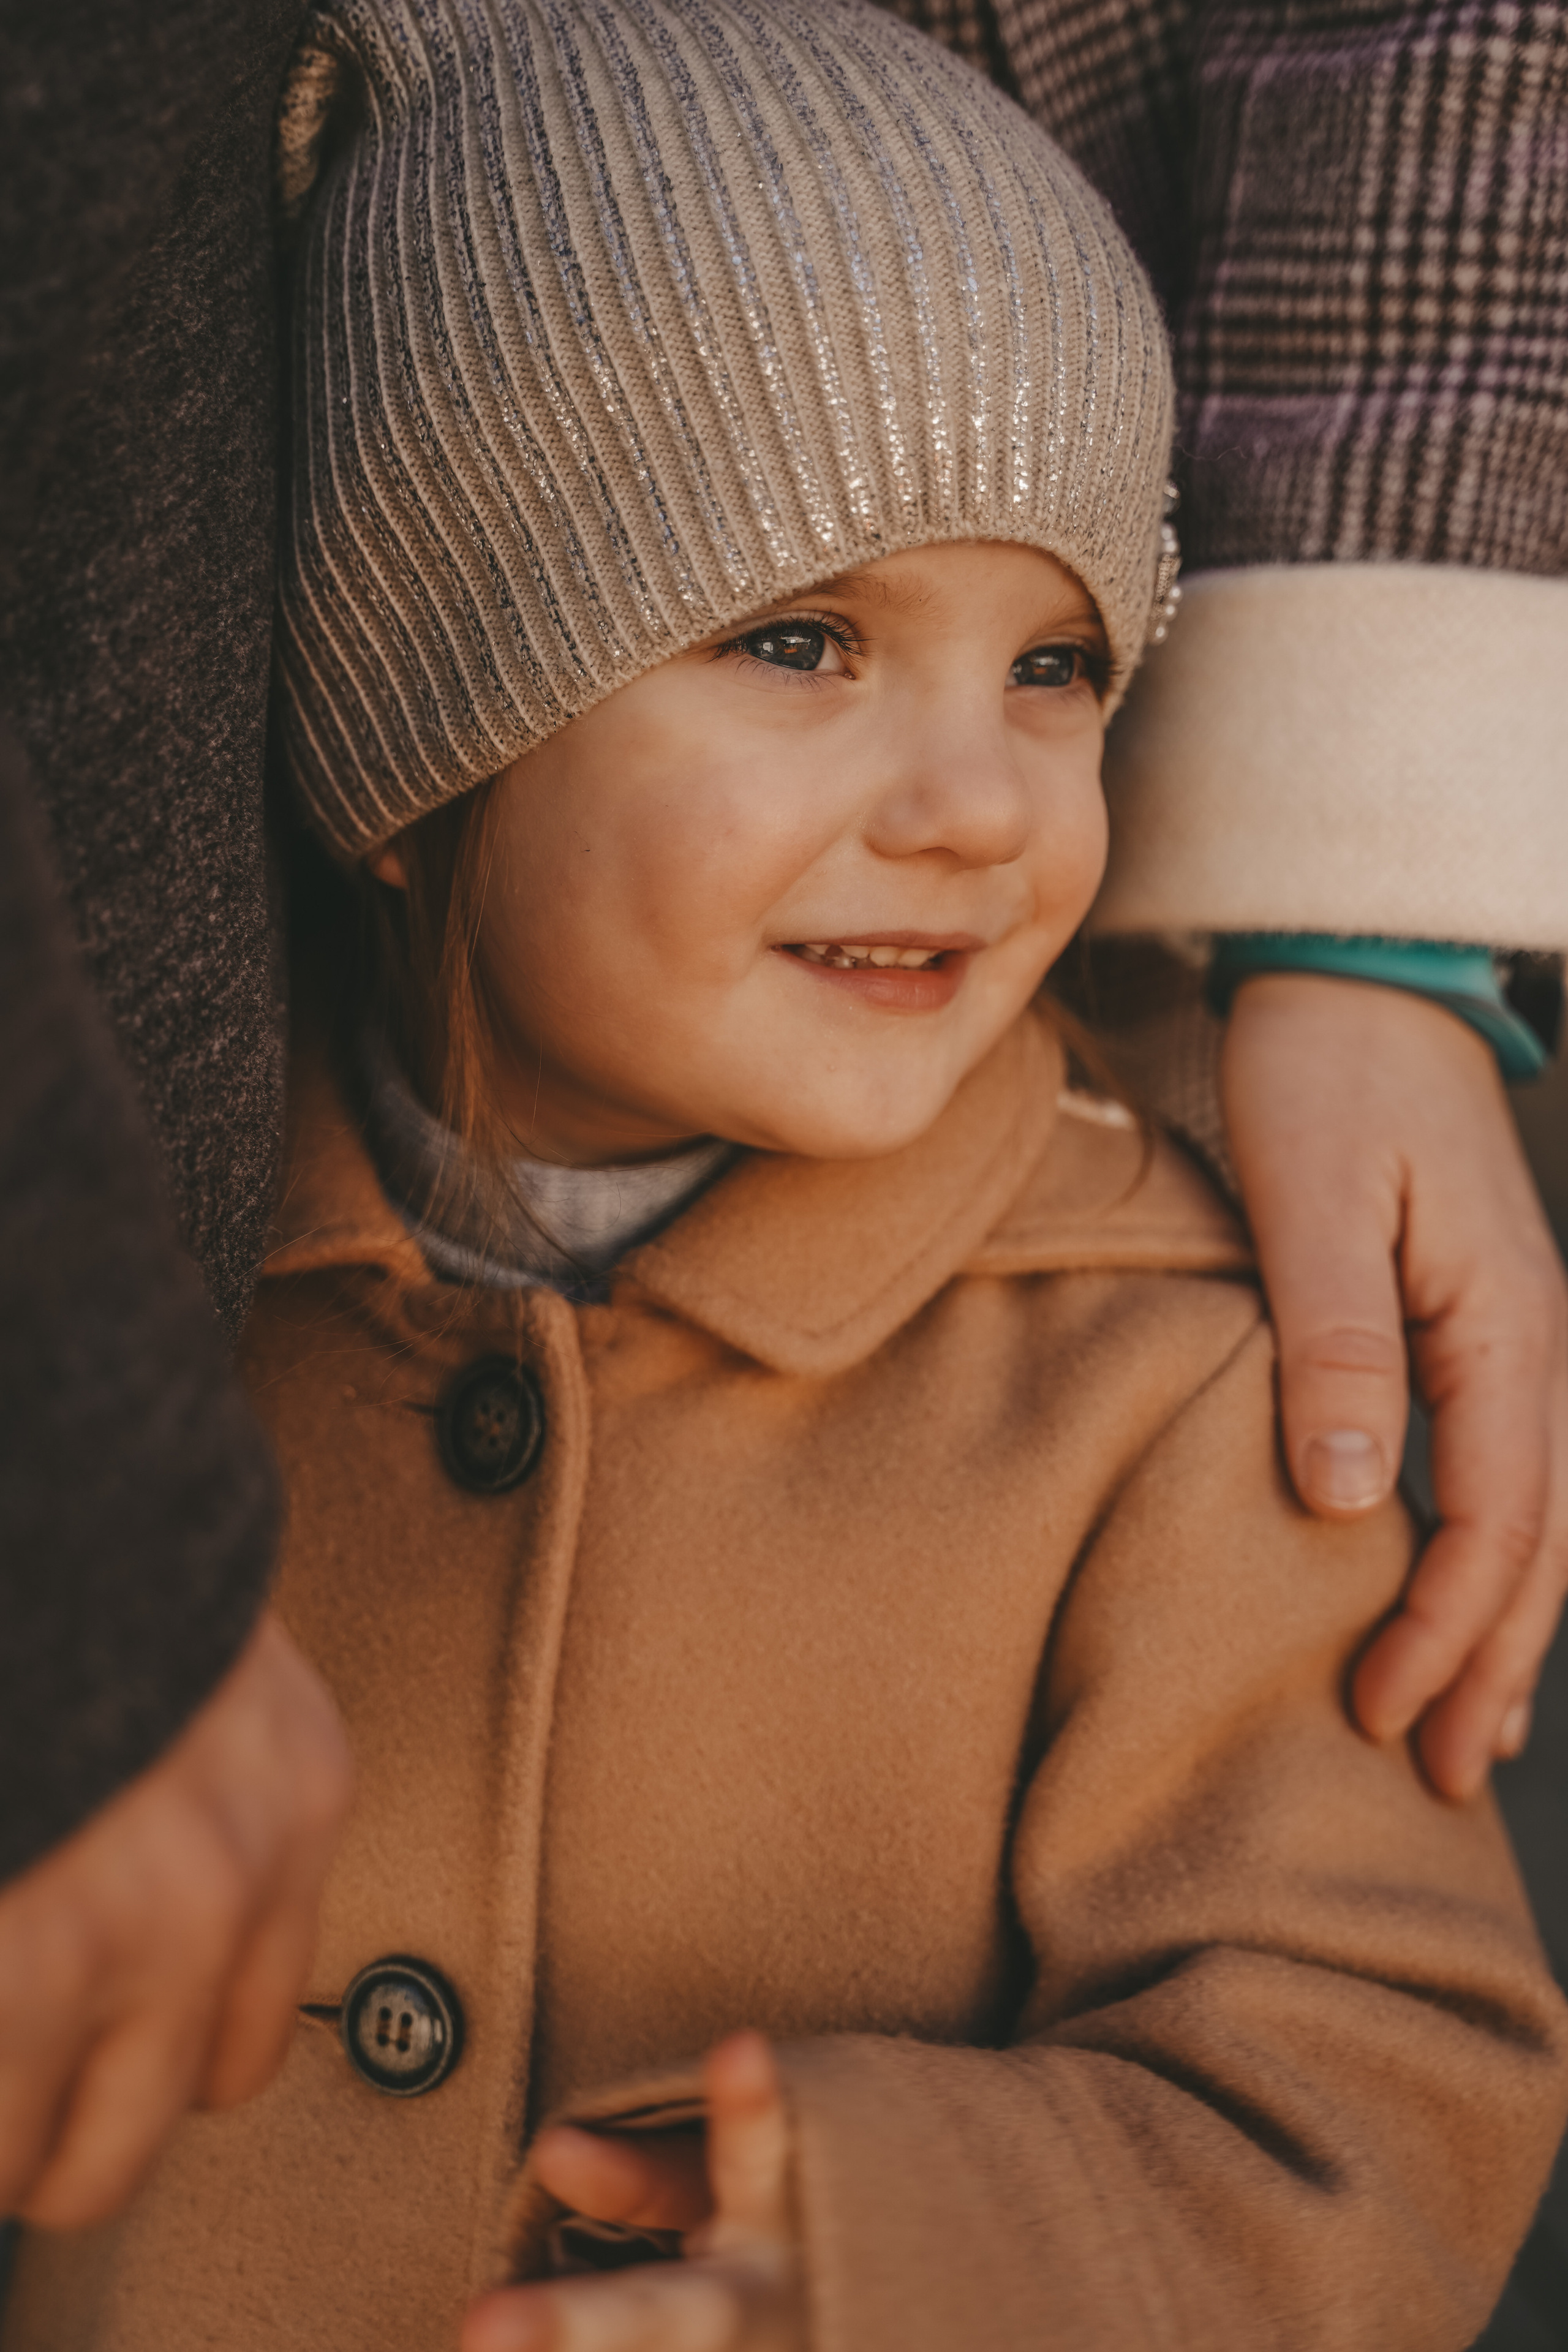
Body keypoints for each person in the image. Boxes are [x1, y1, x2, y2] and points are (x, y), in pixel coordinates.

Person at [7, 2, 1562, 2344]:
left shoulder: (1167, 1360)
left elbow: (1375, 2089)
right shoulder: (127, 1329)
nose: (975, 801)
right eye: (803, 638)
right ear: (428, 741)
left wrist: (930, 2250)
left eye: (1056, 665)